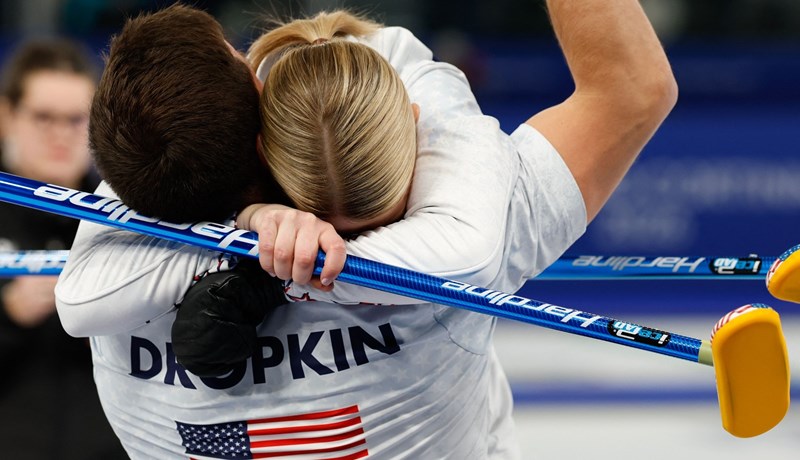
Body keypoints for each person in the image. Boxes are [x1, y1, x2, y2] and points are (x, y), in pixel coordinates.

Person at [55, 2, 676, 459]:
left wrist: (250, 243)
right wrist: (426, 82)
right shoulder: (483, 225)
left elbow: (83, 290)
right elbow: (632, 90)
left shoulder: (122, 270)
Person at [0, 39, 127, 459]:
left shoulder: (125, 222)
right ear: (7, 116)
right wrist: (11, 317)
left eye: (75, 120)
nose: (60, 134)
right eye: (43, 117)